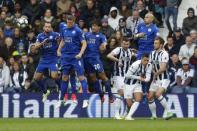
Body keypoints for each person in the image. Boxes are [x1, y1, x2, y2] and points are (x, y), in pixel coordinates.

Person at [56, 14, 88, 108]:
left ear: (74, 22)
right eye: (68, 22)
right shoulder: (64, 29)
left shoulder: (78, 31)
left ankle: (85, 100)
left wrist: (80, 54)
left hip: (75, 57)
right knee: (64, 77)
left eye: (71, 22)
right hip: (66, 57)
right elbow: (63, 40)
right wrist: (58, 49)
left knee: (81, 77)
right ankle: (61, 99)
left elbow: (84, 43)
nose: (69, 24)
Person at [84, 20, 114, 103]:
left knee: (102, 76)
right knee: (92, 78)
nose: (93, 27)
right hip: (86, 59)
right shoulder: (87, 35)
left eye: (95, 26)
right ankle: (101, 94)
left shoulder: (101, 36)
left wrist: (103, 46)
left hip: (95, 59)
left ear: (99, 27)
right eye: (92, 25)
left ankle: (111, 95)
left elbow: (104, 43)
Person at [107, 37, 136, 120]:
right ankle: (116, 114)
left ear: (129, 44)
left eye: (127, 44)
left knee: (127, 95)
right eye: (124, 44)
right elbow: (109, 55)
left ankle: (125, 113)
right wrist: (118, 60)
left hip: (127, 76)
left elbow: (137, 56)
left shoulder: (130, 52)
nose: (125, 45)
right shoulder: (118, 50)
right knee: (121, 93)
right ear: (121, 44)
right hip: (118, 75)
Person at [33, 22, 60, 102]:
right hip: (43, 59)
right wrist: (42, 43)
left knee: (54, 76)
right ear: (43, 28)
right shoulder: (40, 36)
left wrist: (58, 43)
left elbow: (61, 43)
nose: (47, 28)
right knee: (36, 78)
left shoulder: (56, 35)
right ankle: (45, 92)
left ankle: (61, 89)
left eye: (49, 27)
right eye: (46, 27)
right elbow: (36, 47)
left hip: (53, 59)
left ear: (51, 28)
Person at [148, 36, 174, 120]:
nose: (154, 45)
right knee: (150, 96)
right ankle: (154, 115)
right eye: (154, 43)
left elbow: (163, 68)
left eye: (156, 43)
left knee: (158, 94)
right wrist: (153, 73)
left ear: (161, 45)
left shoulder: (165, 53)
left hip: (164, 78)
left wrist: (155, 74)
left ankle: (169, 111)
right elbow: (151, 66)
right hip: (156, 78)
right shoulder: (152, 53)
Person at [124, 53, 152, 120]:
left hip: (137, 84)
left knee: (138, 99)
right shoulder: (135, 64)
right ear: (141, 59)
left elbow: (148, 77)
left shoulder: (149, 65)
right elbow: (127, 75)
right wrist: (139, 78)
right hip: (128, 84)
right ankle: (126, 111)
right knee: (129, 104)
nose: (146, 62)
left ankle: (129, 116)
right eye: (145, 60)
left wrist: (146, 79)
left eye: (147, 60)